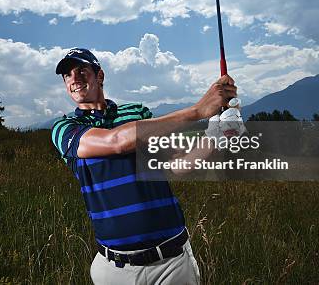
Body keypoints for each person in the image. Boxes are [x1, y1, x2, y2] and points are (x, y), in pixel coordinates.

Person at [50, 48, 238, 284]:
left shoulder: (137, 112)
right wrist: (197, 111)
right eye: (67, 75)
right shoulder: (64, 127)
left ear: (100, 76)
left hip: (171, 263)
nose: (74, 78)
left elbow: (179, 165)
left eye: (81, 71)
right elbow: (115, 141)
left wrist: (217, 133)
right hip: (114, 270)